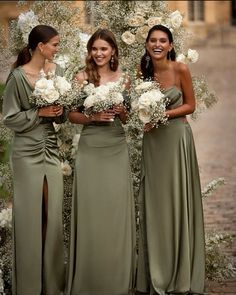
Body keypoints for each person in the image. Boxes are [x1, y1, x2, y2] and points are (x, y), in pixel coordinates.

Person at [65, 28, 136, 295]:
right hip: (91, 147)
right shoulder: (81, 77)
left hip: (116, 146)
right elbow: (71, 115)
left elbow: (129, 120)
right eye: (94, 49)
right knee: (92, 211)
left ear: (113, 51)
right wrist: (91, 118)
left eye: (103, 49)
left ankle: (116, 279)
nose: (98, 53)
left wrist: (122, 111)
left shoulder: (125, 79)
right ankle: (89, 279)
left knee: (115, 211)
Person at [136, 25, 205, 295]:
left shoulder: (181, 69)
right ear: (146, 44)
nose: (157, 44)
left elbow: (190, 105)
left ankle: (179, 274)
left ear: (171, 44)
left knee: (176, 200)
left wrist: (162, 116)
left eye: (162, 40)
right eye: (152, 40)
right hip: (153, 142)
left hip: (176, 140)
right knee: (156, 203)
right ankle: (157, 270)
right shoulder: (144, 73)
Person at [2, 25, 66, 295]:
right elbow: (10, 118)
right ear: (40, 47)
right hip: (26, 152)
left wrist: (59, 111)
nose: (57, 49)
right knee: (29, 219)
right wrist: (39, 112)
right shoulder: (17, 77)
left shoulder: (58, 73)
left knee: (52, 218)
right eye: (54, 44)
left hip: (49, 148)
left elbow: (60, 116)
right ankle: (29, 287)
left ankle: (52, 286)